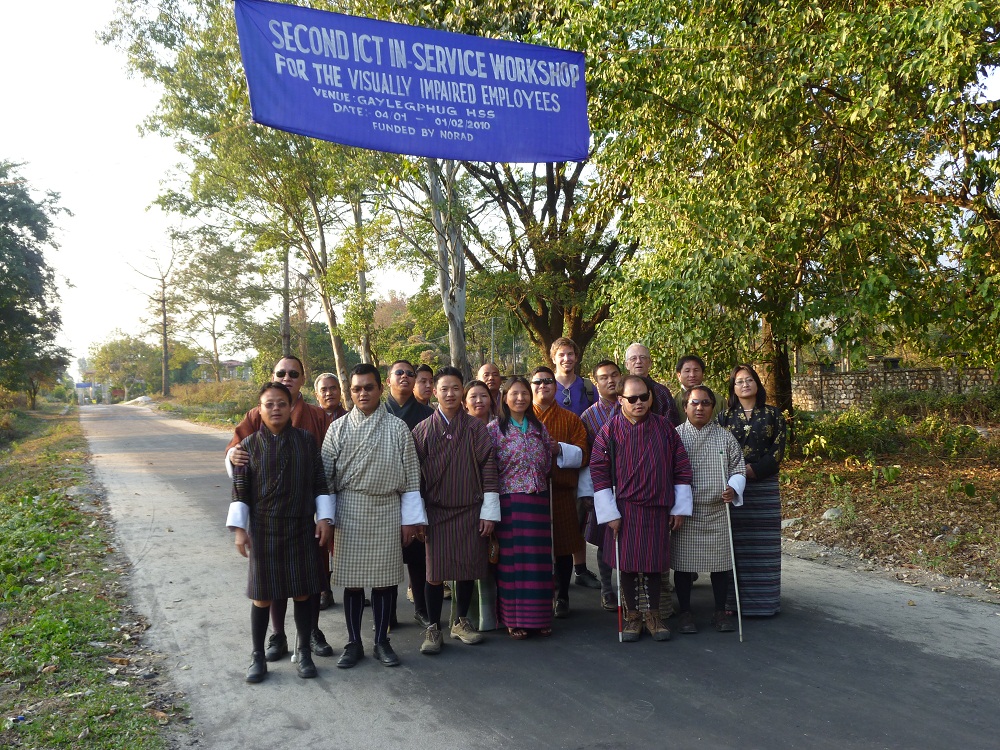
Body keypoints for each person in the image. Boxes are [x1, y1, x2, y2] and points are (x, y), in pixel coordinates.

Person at [225, 356, 333, 662]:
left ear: (302, 379)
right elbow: (240, 483)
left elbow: (321, 475)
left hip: (303, 521)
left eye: (293, 373)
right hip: (264, 525)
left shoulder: (311, 429)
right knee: (265, 592)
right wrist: (239, 530)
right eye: (281, 373)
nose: (275, 408)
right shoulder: (251, 435)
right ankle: (273, 640)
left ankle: (308, 638)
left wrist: (325, 516)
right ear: (260, 408)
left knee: (306, 587)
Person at [320, 364, 426, 668]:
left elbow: (411, 479)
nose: (363, 393)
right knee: (352, 584)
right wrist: (327, 520)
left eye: (368, 387)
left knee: (384, 582)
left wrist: (410, 521)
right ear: (350, 393)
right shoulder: (337, 428)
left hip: (387, 510)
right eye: (357, 389)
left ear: (380, 389)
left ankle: (381, 641)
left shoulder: (398, 428)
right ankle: (354, 643)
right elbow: (325, 480)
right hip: (349, 510)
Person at [591, 375, 693, 642]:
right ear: (620, 400)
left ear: (651, 397)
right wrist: (609, 512)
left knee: (653, 565)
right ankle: (633, 616)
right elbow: (599, 471)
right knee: (627, 566)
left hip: (658, 507)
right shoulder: (610, 430)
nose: (639, 402)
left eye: (644, 397)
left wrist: (679, 508)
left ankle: (654, 616)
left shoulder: (665, 428)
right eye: (632, 398)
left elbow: (681, 467)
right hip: (624, 510)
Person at [412, 366, 500, 655]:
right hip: (436, 512)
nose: (450, 393)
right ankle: (433, 627)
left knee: (466, 568)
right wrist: (417, 516)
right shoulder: (422, 431)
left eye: (455, 388)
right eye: (444, 388)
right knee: (434, 573)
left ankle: (461, 621)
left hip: (470, 509)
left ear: (462, 392)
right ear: (434, 392)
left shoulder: (476, 429)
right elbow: (414, 478)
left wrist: (488, 512)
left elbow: (489, 469)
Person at [673, 385, 746, 634]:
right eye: (694, 403)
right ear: (685, 407)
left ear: (713, 407)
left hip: (717, 510)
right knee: (683, 565)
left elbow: (738, 468)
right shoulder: (675, 436)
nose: (700, 407)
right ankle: (685, 612)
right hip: (686, 513)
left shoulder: (725, 437)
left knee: (721, 565)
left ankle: (719, 611)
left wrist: (733, 487)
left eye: (705, 403)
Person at [717, 364, 787, 616]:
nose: (744, 384)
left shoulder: (773, 415)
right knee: (734, 545)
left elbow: (777, 450)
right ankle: (731, 603)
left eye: (749, 380)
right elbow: (719, 451)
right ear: (733, 389)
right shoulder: (723, 418)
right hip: (734, 488)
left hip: (764, 486)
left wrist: (752, 470)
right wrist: (736, 475)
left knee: (763, 546)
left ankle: (765, 603)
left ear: (757, 383)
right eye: (739, 381)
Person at [488, 376, 554, 639]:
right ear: (504, 398)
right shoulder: (494, 430)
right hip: (510, 503)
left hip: (538, 501)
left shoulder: (539, 427)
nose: (520, 398)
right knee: (513, 564)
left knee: (539, 563)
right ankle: (513, 619)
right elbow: (489, 468)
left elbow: (548, 460)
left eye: (524, 393)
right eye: (514, 394)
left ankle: (539, 618)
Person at [529, 365, 589, 618]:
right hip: (530, 494)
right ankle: (540, 596)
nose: (543, 386)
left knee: (564, 546)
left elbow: (584, 453)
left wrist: (561, 449)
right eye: (538, 382)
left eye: (548, 382)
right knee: (534, 547)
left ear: (555, 386)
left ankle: (563, 594)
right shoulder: (521, 417)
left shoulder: (570, 419)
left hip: (561, 491)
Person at [384, 359, 436, 627]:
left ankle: (421, 607)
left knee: (418, 554)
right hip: (386, 492)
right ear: (388, 380)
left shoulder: (427, 415)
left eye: (410, 374)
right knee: (389, 556)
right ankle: (388, 612)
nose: (405, 377)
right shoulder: (378, 412)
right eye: (399, 373)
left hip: (418, 490)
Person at [550, 337, 601, 591]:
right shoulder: (546, 385)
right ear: (553, 358)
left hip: (581, 457)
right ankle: (555, 574)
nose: (566, 359)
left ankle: (580, 568)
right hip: (550, 461)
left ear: (577, 357)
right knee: (555, 519)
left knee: (578, 516)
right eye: (561, 355)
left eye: (570, 354)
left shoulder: (589, 388)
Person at [580, 359, 623, 611]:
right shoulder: (588, 415)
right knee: (606, 539)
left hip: (632, 484)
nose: (610, 380)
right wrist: (588, 491)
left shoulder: (633, 405)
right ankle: (607, 589)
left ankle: (633, 589)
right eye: (604, 377)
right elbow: (586, 457)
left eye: (615, 375)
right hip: (602, 484)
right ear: (596, 382)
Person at [462, 379, 500, 631]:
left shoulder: (501, 427)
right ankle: (469, 617)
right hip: (467, 503)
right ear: (465, 403)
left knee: (496, 558)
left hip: (499, 499)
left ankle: (495, 616)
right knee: (469, 559)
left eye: (483, 396)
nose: (479, 401)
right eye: (473, 397)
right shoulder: (462, 429)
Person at [313, 371, 347, 609]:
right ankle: (324, 588)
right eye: (324, 389)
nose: (329, 393)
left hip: (345, 488)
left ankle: (352, 584)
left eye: (333, 388)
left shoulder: (350, 417)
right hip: (317, 488)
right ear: (317, 395)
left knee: (346, 541)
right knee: (321, 541)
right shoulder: (310, 418)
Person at [624, 342, 681, 425]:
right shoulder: (621, 391)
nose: (638, 361)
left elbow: (672, 426)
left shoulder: (662, 392)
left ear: (650, 362)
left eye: (643, 357)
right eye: (633, 358)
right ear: (626, 365)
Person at [674, 355, 706, 422]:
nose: (692, 375)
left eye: (696, 370)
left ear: (703, 373)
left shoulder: (719, 401)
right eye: (687, 371)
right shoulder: (673, 402)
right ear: (679, 375)